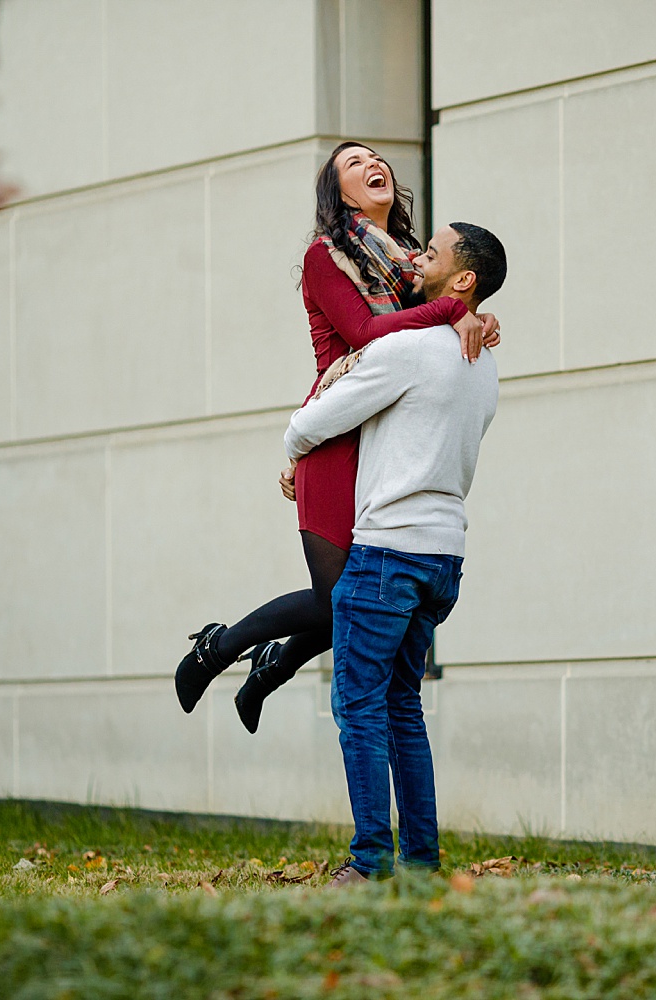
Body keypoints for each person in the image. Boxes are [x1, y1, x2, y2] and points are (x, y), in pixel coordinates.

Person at [173, 142, 499, 731]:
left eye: (376, 157)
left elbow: (439, 315)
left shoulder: (408, 265)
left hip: (380, 439)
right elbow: (365, 332)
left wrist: (473, 311)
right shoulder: (328, 257)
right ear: (338, 191)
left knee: (356, 598)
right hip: (334, 438)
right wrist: (453, 312)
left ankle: (271, 662)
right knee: (336, 601)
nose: (372, 163)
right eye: (352, 163)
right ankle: (219, 650)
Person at [280, 221, 505, 885]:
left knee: (359, 706)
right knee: (403, 705)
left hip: (387, 554)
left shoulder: (407, 348)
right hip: (444, 556)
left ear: (462, 279)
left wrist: (294, 452)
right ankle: (422, 861)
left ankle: (371, 861)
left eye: (431, 253)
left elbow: (311, 421)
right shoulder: (484, 359)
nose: (416, 258)